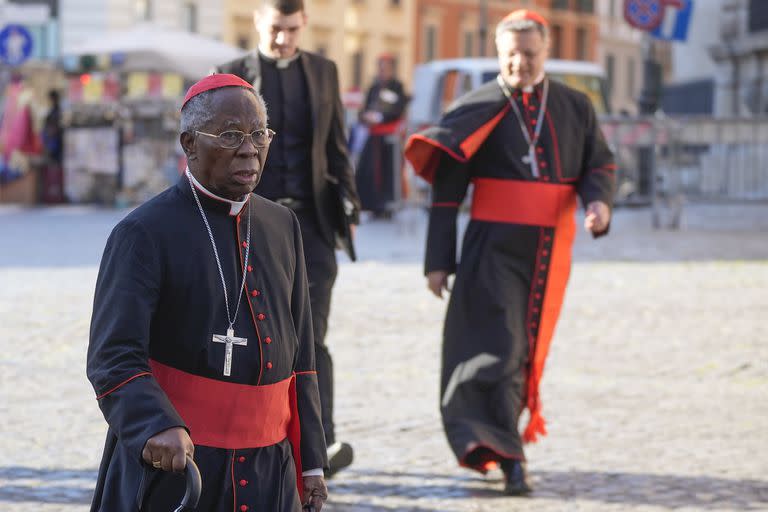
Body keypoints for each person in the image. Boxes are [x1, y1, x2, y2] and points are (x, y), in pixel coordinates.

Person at [87, 74, 328, 511]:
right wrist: (155, 426)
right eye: (231, 134)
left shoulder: (281, 225)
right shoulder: (143, 232)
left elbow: (303, 359)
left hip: (270, 470)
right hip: (180, 466)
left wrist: (310, 460)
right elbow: (113, 356)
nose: (250, 148)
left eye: (259, 134)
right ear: (190, 144)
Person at [405, 9, 616, 496]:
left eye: (529, 53)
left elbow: (598, 163)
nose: (519, 62)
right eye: (511, 54)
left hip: (547, 251)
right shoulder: (476, 106)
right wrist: (439, 262)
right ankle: (510, 458)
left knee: (523, 354)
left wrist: (598, 204)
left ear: (545, 53)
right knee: (501, 347)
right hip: (492, 248)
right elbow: (446, 192)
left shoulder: (573, 105)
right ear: (499, 55)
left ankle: (503, 443)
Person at [216, 0, 360, 477]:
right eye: (277, 29)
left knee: (311, 336)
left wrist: (350, 207)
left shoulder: (324, 71)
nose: (284, 39)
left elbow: (336, 145)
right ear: (258, 21)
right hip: (251, 226)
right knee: (254, 335)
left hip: (313, 228)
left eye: (293, 30)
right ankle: (254, 439)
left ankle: (321, 445)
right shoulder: (232, 73)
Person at [353, 54, 409, 218]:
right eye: (380, 66)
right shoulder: (373, 86)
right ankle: (372, 205)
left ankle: (388, 206)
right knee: (367, 170)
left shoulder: (397, 86)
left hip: (389, 138)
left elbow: (398, 109)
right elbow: (364, 108)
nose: (382, 70)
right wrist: (365, 116)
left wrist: (380, 117)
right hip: (374, 135)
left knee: (388, 173)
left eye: (385, 67)